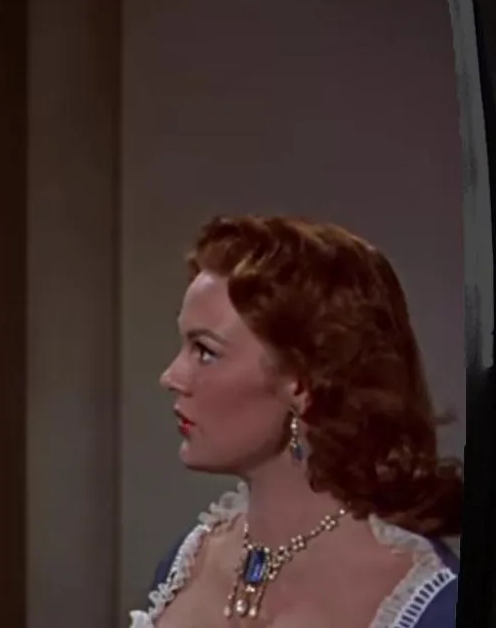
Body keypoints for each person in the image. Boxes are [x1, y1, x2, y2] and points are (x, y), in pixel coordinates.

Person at [131, 215, 460, 628]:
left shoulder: (426, 600)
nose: (171, 377)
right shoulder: (187, 562)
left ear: (303, 383)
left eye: (205, 352)